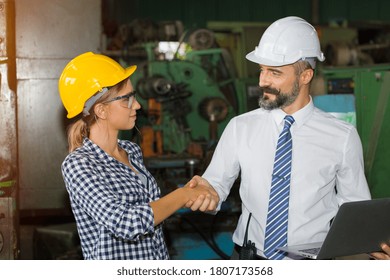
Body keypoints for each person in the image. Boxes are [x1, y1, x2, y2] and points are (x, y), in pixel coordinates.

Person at [187, 16, 372, 259]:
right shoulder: (240, 127)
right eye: (262, 70)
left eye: (274, 72)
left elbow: (355, 207)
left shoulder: (342, 136)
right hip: (249, 259)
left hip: (313, 262)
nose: (263, 81)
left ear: (305, 76)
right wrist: (206, 192)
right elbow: (217, 184)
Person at [58, 52, 218, 260]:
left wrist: (190, 190)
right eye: (127, 100)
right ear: (101, 110)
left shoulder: (131, 151)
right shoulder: (79, 164)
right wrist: (183, 195)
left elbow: (150, 211)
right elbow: (125, 223)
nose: (137, 105)